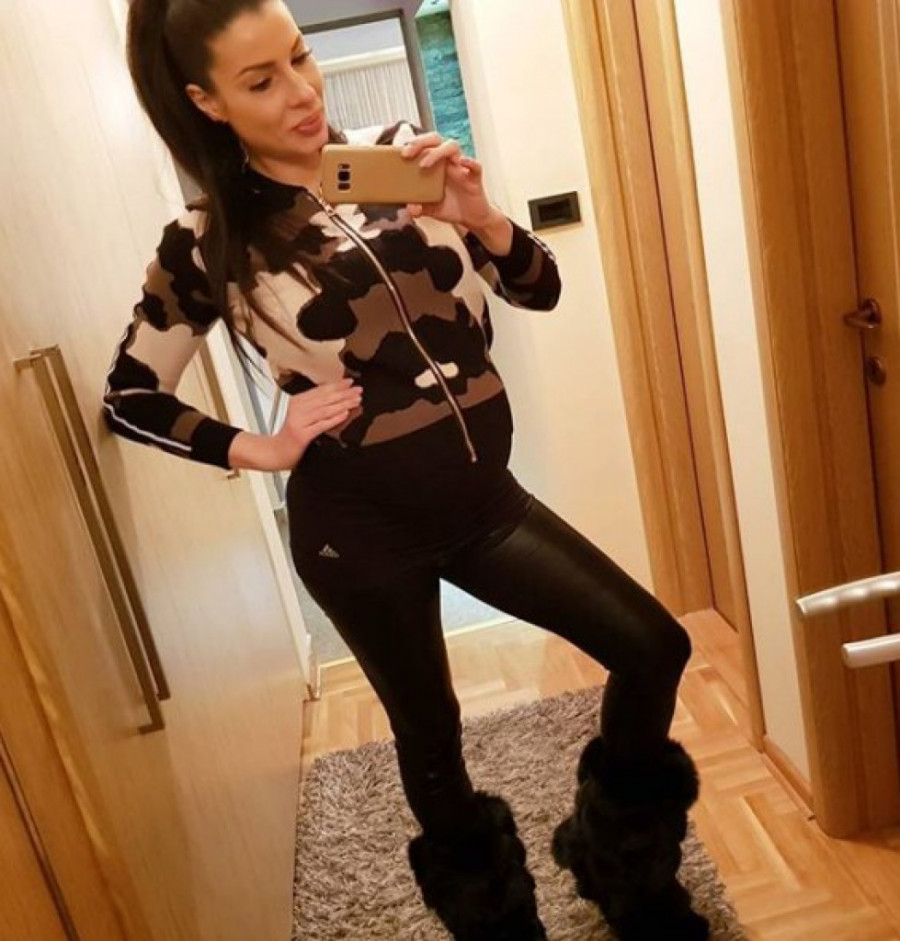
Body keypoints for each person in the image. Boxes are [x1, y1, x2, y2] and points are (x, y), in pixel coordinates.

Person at [105, 1, 709, 938]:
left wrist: (479, 215)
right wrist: (263, 446)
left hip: (486, 505)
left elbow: (541, 288)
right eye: (261, 81)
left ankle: (618, 859)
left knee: (652, 645)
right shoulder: (206, 240)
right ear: (207, 102)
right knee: (432, 739)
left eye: (299, 57)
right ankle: (498, 922)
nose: (302, 92)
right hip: (359, 537)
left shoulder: (397, 158)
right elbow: (130, 395)